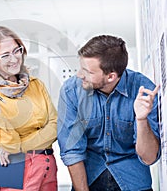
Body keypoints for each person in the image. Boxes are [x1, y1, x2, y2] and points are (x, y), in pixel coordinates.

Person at [57, 35, 160, 191]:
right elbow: (72, 151)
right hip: (88, 179)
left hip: (133, 181)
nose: (79, 75)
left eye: (87, 71)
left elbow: (149, 157)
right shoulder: (72, 91)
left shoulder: (144, 91)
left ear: (111, 76)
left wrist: (141, 119)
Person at [0, 26, 58, 191]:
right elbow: (9, 143)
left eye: (17, 51)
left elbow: (55, 126)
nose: (14, 59)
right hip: (18, 167)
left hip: (47, 164)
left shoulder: (36, 85)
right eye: (5, 55)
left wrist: (21, 146)